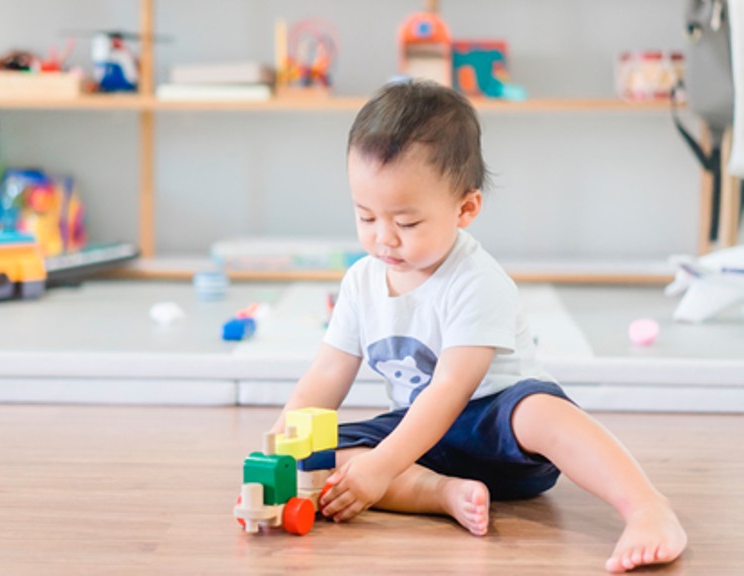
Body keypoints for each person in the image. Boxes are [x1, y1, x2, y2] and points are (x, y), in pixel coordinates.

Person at [271, 80, 686, 573]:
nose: (383, 238)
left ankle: (646, 507)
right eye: (366, 216)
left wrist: (381, 466)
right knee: (323, 455)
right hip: (421, 443)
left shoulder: (476, 281)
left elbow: (451, 389)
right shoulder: (362, 282)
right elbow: (325, 375)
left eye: (405, 223)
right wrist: (284, 438)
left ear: (465, 209)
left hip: (494, 427)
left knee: (541, 410)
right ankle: (444, 495)